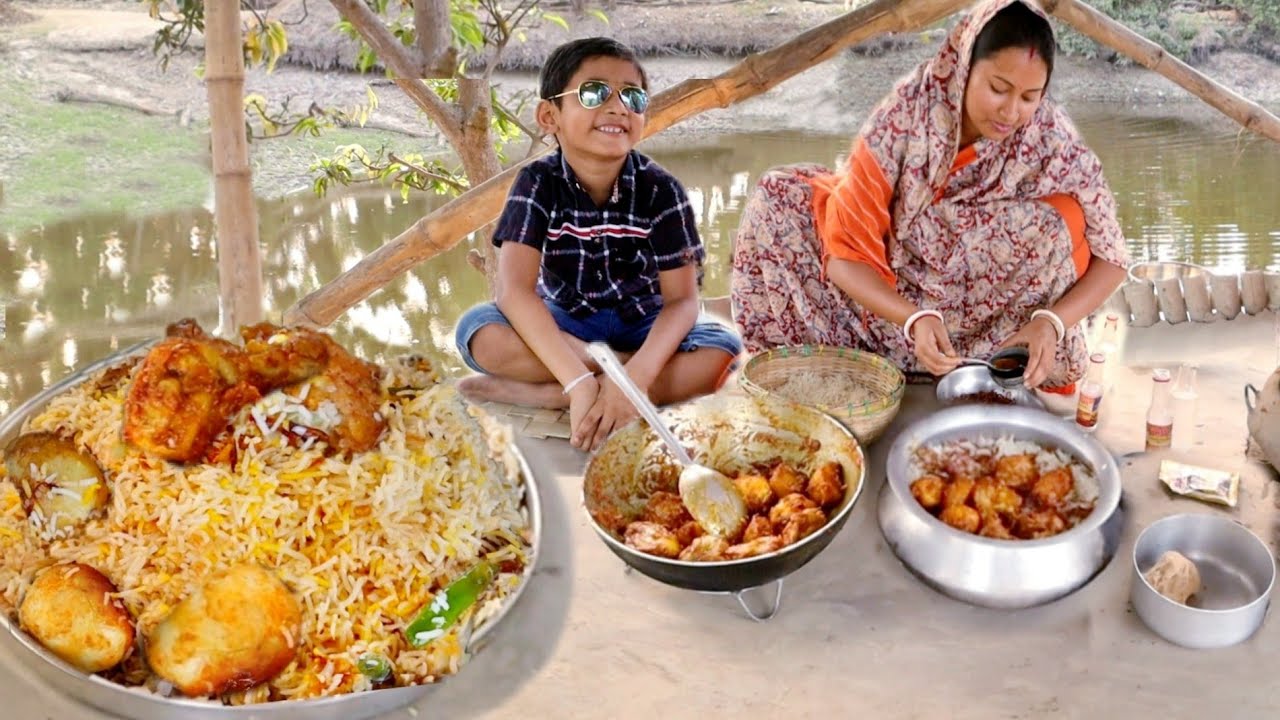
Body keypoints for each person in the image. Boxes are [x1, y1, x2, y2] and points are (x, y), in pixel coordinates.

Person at [731, 0, 1129, 390]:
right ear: (963, 67)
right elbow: (844, 258)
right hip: (897, 290)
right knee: (779, 195)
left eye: (1029, 97)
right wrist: (912, 318)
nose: (1011, 112)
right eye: (998, 88)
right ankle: (889, 347)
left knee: (1062, 217)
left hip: (987, 305)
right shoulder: (906, 116)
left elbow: (1112, 256)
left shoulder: (1049, 137)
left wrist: (1052, 322)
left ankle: (991, 356)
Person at [455, 37, 742, 451]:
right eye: (594, 93)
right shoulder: (536, 183)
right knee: (478, 331)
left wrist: (640, 372)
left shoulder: (662, 190)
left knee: (723, 351)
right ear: (549, 115)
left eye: (633, 96)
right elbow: (514, 291)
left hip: (645, 321)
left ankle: (568, 391)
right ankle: (588, 383)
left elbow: (681, 301)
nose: (617, 106)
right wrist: (577, 378)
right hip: (569, 320)